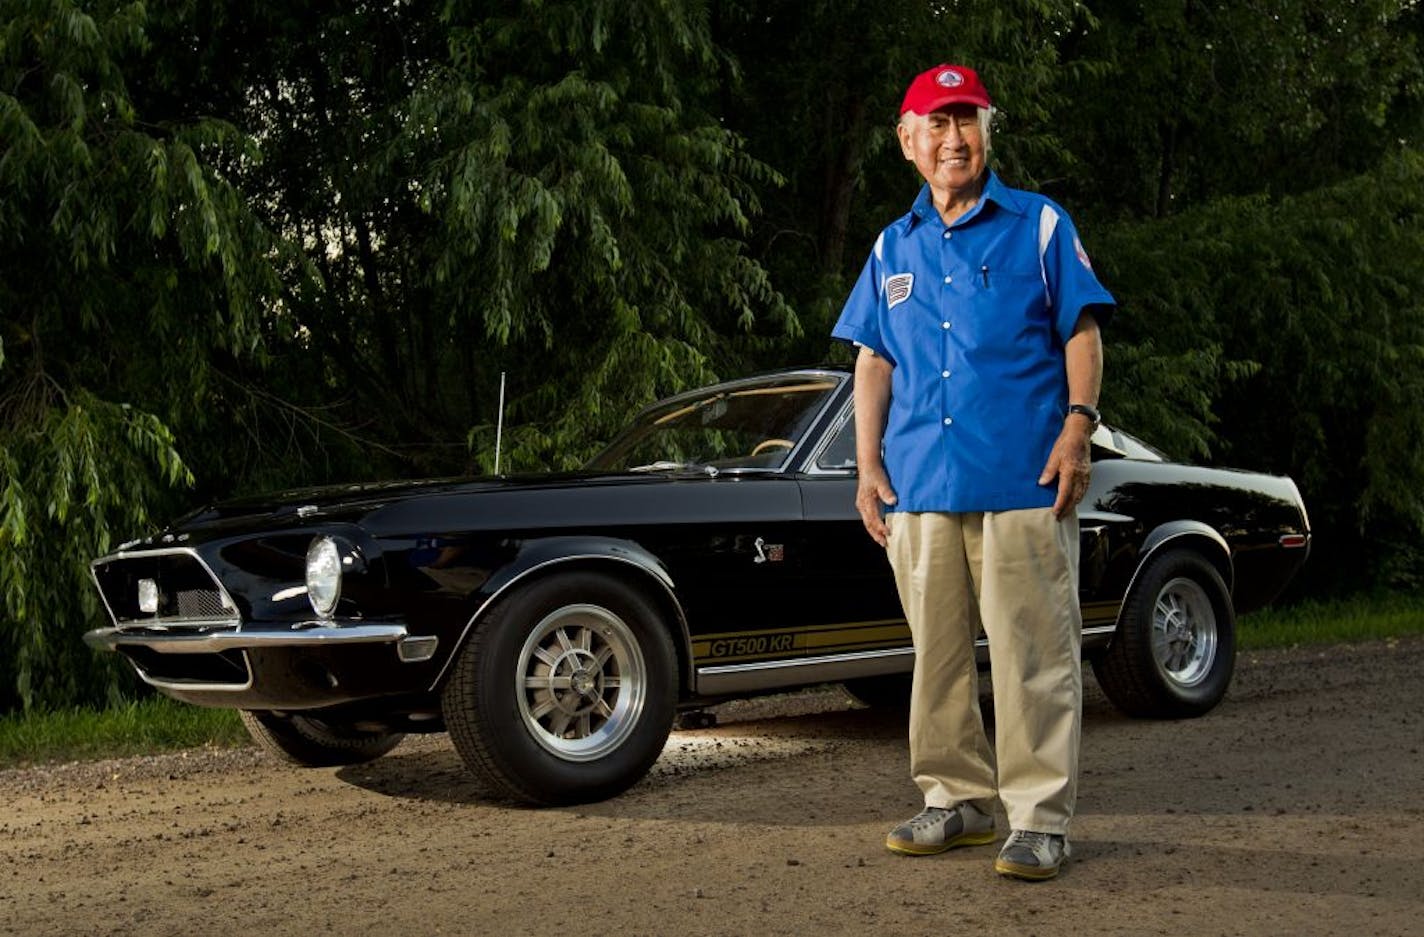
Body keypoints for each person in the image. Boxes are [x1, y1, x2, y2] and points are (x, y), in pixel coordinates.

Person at [831, 63, 1114, 881]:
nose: (954, 137)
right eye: (937, 122)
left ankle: (1038, 818)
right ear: (908, 141)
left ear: (988, 131)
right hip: (918, 487)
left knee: (1034, 654)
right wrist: (866, 465)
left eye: (968, 120)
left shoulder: (1039, 226)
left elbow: (1082, 333)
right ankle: (955, 798)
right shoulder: (893, 244)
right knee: (938, 656)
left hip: (1023, 480)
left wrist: (1077, 428)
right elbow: (874, 362)